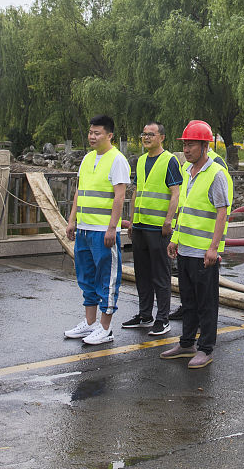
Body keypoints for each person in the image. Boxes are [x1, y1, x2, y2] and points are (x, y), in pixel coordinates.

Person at [160, 120, 230, 369]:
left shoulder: (215, 174)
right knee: (188, 300)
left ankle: (206, 348)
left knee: (206, 302)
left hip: (203, 252)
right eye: (184, 145)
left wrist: (213, 248)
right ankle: (186, 342)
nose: (186, 149)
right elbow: (185, 210)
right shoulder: (187, 172)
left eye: (190, 145)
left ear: (204, 145)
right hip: (186, 248)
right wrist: (176, 239)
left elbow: (222, 213)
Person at [64, 115, 130, 346]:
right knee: (86, 277)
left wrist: (112, 228)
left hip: (103, 230)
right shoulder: (87, 159)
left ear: (109, 135)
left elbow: (120, 196)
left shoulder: (117, 160)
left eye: (97, 133)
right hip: (84, 229)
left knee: (107, 279)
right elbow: (79, 192)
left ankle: (105, 327)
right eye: (91, 132)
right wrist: (72, 221)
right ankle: (89, 323)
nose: (92, 136)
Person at [124, 121, 183, 336]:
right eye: (144, 134)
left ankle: (162, 318)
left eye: (151, 134)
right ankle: (144, 314)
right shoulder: (140, 161)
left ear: (161, 138)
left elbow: (175, 193)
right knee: (142, 273)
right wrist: (131, 220)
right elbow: (137, 191)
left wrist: (169, 221)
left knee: (160, 274)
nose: (146, 137)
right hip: (140, 225)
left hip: (158, 228)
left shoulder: (169, 161)